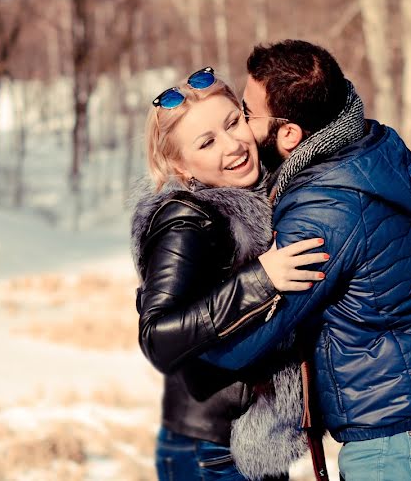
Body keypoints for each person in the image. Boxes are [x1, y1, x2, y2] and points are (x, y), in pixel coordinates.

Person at [192, 40, 411, 480]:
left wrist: (186, 332)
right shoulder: (363, 151)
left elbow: (252, 338)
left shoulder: (325, 210)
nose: (242, 127)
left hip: (396, 436)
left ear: (288, 134)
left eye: (247, 113)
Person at [131, 67, 329, 481]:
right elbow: (157, 336)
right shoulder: (184, 220)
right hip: (213, 453)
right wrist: (261, 279)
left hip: (250, 444)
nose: (233, 145)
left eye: (233, 122)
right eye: (207, 142)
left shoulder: (257, 193)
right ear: (181, 167)